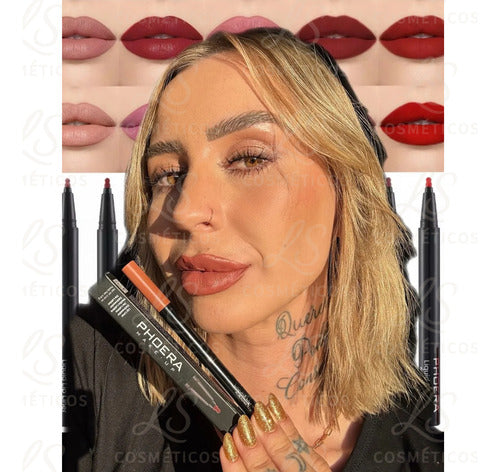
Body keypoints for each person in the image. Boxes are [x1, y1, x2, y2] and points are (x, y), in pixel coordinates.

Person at [66, 28, 443, 471]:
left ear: (345, 187)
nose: (184, 211)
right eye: (167, 174)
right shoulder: (79, 368)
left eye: (249, 159)